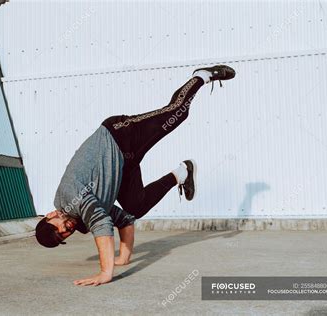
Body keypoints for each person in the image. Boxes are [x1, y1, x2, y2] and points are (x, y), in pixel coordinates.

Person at [35, 65, 236, 286]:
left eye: (58, 228)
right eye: (63, 236)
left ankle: (202, 76)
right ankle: (182, 173)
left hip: (119, 135)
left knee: (176, 112)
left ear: (51, 214)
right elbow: (123, 220)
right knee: (135, 207)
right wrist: (123, 257)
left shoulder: (70, 197)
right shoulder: (80, 216)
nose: (66, 230)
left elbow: (101, 223)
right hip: (122, 166)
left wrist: (105, 272)